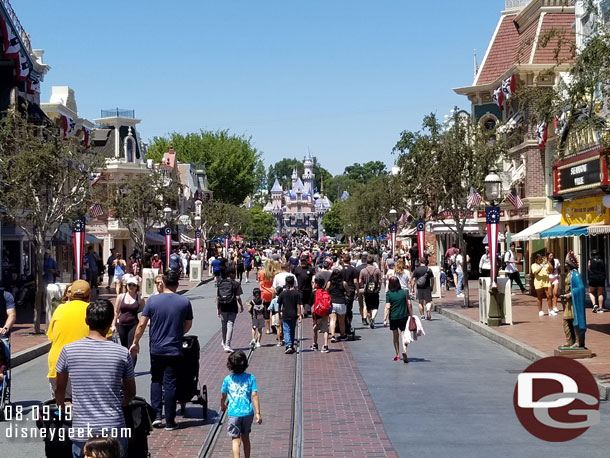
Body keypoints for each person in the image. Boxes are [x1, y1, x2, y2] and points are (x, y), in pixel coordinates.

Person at [55, 300, 136, 458]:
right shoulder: (121, 353)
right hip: (114, 428)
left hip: (82, 430)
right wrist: (120, 404)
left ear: (86, 320)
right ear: (110, 321)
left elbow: (60, 388)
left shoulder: (69, 351)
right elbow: (131, 392)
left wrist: (62, 406)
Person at [129, 270, 194, 430]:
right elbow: (188, 324)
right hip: (174, 348)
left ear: (163, 283)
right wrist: (178, 333)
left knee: (156, 379)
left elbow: (142, 324)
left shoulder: (152, 301)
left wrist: (135, 342)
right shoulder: (184, 302)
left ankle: (157, 416)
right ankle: (170, 421)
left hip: (156, 348)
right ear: (177, 285)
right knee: (170, 383)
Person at [47, 280, 92, 398]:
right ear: (89, 296)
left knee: (61, 410)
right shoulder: (93, 310)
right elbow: (106, 338)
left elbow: (51, 337)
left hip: (57, 365)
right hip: (84, 368)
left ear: (70, 295)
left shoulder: (59, 309)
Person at [221, 350, 262, 458]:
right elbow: (254, 395)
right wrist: (258, 413)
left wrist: (222, 405)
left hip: (234, 413)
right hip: (248, 412)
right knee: (246, 438)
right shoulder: (250, 378)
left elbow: (223, 395)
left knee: (235, 439)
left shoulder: (228, 379)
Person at [112, 276, 145, 368]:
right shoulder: (121, 297)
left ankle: (131, 368)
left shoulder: (139, 298)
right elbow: (116, 312)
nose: (131, 287)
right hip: (121, 324)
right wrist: (114, 324)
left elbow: (143, 311)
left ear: (136, 287)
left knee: (132, 345)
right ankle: (124, 367)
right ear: (126, 286)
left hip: (133, 324)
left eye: (133, 285)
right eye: (129, 285)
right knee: (124, 347)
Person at [560, 251, 587, 348]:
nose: (565, 265)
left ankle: (578, 342)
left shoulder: (575, 274)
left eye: (567, 263)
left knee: (575, 321)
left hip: (574, 301)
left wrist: (570, 294)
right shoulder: (569, 274)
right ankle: (569, 341)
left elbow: (580, 288)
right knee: (566, 321)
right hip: (569, 302)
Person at [383, 276, 412, 362]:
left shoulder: (389, 294)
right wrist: (411, 314)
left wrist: (384, 319)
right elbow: (409, 304)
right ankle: (405, 350)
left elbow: (387, 307)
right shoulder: (405, 292)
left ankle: (398, 355)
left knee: (395, 335)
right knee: (403, 334)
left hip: (393, 317)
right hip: (404, 316)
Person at [217, 266, 244, 352]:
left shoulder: (221, 283)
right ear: (231, 274)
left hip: (222, 307)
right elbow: (238, 297)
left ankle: (224, 342)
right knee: (230, 324)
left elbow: (218, 297)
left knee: (224, 325)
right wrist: (241, 305)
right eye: (235, 273)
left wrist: (218, 308)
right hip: (232, 307)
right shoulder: (235, 284)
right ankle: (227, 345)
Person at [277, 276, 302, 354]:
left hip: (285, 313)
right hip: (294, 314)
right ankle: (291, 345)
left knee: (286, 330)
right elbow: (298, 305)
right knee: (292, 330)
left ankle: (288, 345)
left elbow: (279, 304)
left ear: (286, 283)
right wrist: (300, 314)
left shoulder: (282, 293)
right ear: (293, 283)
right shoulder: (296, 293)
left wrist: (279, 313)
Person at [359, 254, 382, 328]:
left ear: (366, 261)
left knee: (368, 307)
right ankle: (373, 318)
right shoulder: (377, 270)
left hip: (367, 290)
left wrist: (364, 284)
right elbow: (380, 281)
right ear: (373, 261)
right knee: (375, 306)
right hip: (375, 290)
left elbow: (360, 281)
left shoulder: (363, 271)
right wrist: (379, 287)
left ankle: (370, 320)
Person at [326, 266, 348, 342]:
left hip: (332, 303)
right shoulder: (344, 283)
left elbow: (326, 291)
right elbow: (347, 292)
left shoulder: (329, 283)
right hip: (341, 302)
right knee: (341, 321)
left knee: (332, 320)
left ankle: (332, 336)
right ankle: (342, 335)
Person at [311, 277, 330, 353]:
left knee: (315, 329)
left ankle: (315, 344)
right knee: (325, 329)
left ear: (316, 284)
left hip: (316, 314)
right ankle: (325, 345)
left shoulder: (314, 293)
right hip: (325, 313)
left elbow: (311, 303)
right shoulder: (325, 292)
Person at [340, 254, 358, 335]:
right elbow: (355, 281)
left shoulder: (340, 269)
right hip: (350, 290)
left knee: (342, 307)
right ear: (350, 260)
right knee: (349, 308)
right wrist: (357, 290)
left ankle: (341, 324)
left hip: (341, 290)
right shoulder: (353, 270)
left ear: (343, 260)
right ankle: (348, 323)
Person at [258, 261, 276, 335]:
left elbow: (259, 280)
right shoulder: (274, 274)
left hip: (264, 293)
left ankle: (268, 329)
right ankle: (274, 325)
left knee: (266, 312)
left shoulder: (261, 272)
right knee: (273, 311)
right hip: (272, 292)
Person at [588, 249, 606, 313]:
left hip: (593, 278)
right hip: (601, 278)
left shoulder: (590, 261)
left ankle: (594, 304)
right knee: (600, 294)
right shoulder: (602, 260)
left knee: (591, 292)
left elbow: (589, 268)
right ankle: (600, 307)